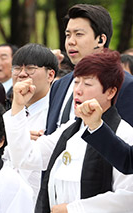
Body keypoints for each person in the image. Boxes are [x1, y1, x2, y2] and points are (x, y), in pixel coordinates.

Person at [6, 50, 133, 213]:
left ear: (110, 92)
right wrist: (17, 109)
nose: (78, 90)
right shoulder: (69, 130)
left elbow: (128, 196)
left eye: (88, 84)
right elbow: (26, 157)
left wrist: (74, 211)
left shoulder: (123, 134)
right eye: (76, 81)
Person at [46, 4, 133, 134]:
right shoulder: (59, 85)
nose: (70, 41)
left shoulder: (125, 85)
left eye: (79, 34)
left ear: (100, 40)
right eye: (68, 35)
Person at [4, 44, 58, 197]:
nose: (21, 74)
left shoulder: (56, 114)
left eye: (30, 68)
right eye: (17, 68)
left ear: (50, 75)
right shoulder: (6, 116)